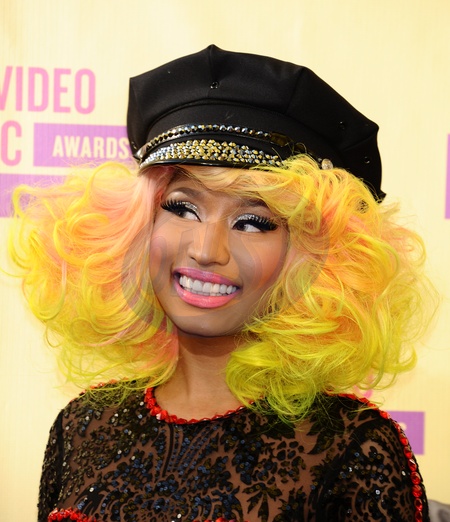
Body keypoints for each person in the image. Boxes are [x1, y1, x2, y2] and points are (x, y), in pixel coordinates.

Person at [10, 45, 435, 522]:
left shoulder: (351, 448)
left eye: (253, 222)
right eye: (183, 208)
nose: (206, 249)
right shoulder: (82, 426)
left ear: (311, 259)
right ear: (137, 227)